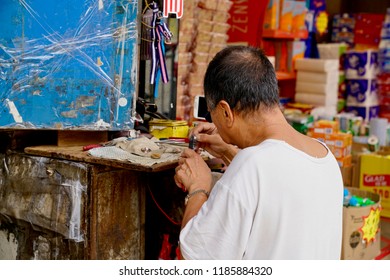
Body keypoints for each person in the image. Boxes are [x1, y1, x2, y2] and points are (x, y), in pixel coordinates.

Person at [174, 45, 343, 260]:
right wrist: (228, 151)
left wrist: (198, 187)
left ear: (226, 111)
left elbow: (198, 253)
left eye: (212, 113)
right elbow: (276, 183)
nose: (213, 121)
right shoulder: (325, 157)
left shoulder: (252, 164)